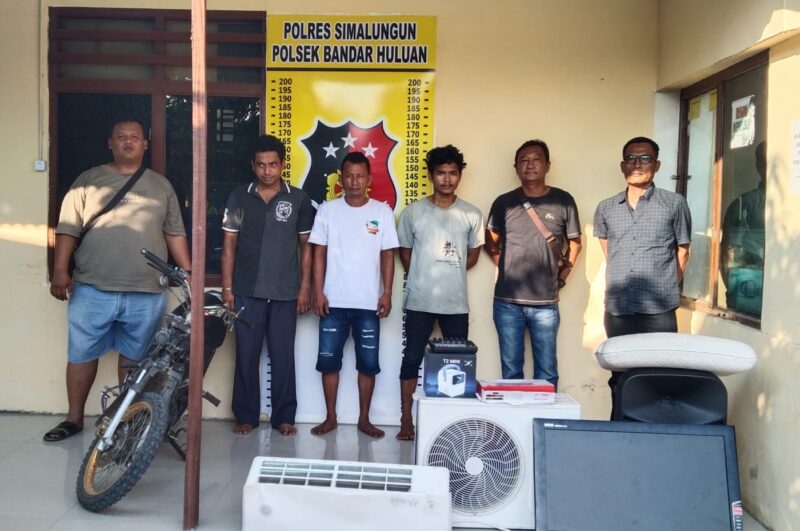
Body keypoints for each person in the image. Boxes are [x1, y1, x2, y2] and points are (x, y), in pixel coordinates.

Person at [44, 117, 190, 442]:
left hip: (146, 289)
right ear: (110, 143)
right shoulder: (88, 180)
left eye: (134, 137)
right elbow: (68, 229)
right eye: (121, 137)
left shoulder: (161, 185)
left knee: (136, 359)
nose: (128, 141)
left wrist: (189, 273)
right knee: (82, 354)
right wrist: (60, 270)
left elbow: (174, 233)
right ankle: (74, 418)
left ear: (145, 144)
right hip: (92, 287)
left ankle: (123, 421)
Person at [220, 134, 315, 436]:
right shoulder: (239, 197)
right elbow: (229, 244)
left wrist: (304, 289)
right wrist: (227, 288)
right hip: (247, 291)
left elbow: (307, 247)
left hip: (286, 293)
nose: (267, 171)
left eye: (273, 164)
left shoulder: (298, 199)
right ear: (253, 165)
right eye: (261, 165)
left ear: (282, 164)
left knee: (282, 356)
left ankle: (284, 416)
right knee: (246, 356)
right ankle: (246, 415)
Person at [593, 136, 691, 415]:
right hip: (619, 307)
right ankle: (619, 429)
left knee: (659, 376)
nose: (637, 164)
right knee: (620, 376)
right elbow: (609, 251)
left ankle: (654, 433)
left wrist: (665, 284)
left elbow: (683, 251)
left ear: (657, 165)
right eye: (631, 158)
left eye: (645, 158)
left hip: (659, 308)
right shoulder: (606, 208)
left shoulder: (674, 204)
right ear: (622, 165)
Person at [395, 145, 484, 441]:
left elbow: (473, 255)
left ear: (460, 176)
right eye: (441, 173)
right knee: (411, 358)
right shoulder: (413, 212)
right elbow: (405, 253)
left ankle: (451, 423)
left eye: (452, 173)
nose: (447, 179)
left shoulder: (471, 213)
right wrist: (425, 273)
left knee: (456, 362)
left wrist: (449, 272)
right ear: (431, 175)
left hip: (455, 302)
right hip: (419, 300)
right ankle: (406, 419)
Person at [309, 151, 399, 438]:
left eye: (360, 176)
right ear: (341, 178)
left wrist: (387, 293)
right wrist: (318, 291)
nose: (354, 181)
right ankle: (330, 417)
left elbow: (388, 255)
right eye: (348, 176)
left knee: (368, 364)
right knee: (328, 362)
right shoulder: (327, 210)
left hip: (368, 303)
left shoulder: (381, 212)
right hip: (333, 301)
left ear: (369, 179)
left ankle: (364, 419)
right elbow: (318, 253)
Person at [484, 139, 582, 388]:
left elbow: (575, 244)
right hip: (507, 302)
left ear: (547, 165)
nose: (530, 165)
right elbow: (490, 241)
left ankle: (545, 414)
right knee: (511, 372)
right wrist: (504, 265)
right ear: (516, 167)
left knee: (547, 372)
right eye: (524, 160)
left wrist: (563, 276)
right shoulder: (503, 202)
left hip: (545, 303)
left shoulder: (563, 200)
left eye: (537, 159)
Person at [720, 141, 766, 316]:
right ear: (760, 166)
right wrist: (737, 294)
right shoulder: (745, 204)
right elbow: (728, 254)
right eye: (767, 162)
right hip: (751, 292)